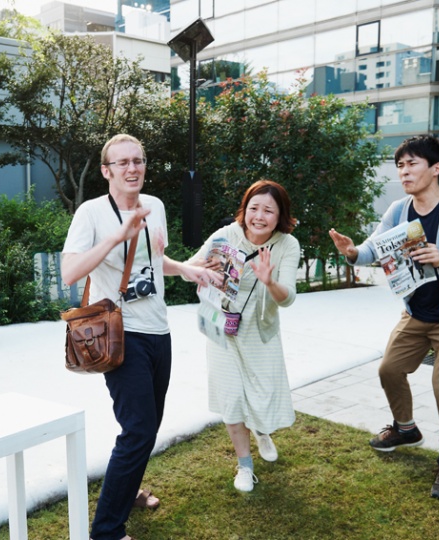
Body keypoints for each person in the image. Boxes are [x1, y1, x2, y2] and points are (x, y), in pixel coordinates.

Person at [61, 134, 218, 540]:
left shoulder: (156, 207)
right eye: (123, 163)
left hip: (158, 330)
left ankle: (126, 491)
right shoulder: (91, 213)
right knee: (138, 430)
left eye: (138, 161)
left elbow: (152, 261)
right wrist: (117, 236)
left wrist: (186, 269)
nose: (133, 169)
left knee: (146, 426)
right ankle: (107, 531)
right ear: (106, 171)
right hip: (119, 334)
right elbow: (70, 272)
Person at [329, 134, 439, 500]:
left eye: (412, 164)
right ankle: (406, 429)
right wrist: (352, 252)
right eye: (400, 165)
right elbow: (374, 247)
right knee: (389, 369)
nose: (404, 171)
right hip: (417, 311)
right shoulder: (399, 210)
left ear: (436, 168)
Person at [188, 180, 300, 492]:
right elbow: (191, 266)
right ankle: (245, 465)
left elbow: (288, 297)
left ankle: (262, 429)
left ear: (280, 216)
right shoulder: (226, 235)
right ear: (244, 209)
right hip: (221, 326)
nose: (259, 216)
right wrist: (201, 270)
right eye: (254, 208)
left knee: (261, 395)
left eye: (268, 210)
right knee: (231, 395)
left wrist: (269, 281)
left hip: (259, 330)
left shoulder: (287, 245)